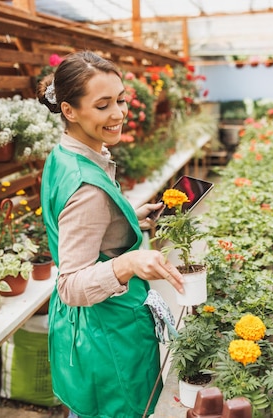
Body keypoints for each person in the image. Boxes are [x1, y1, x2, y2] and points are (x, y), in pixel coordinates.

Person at [36, 50, 185, 418]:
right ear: (69, 110)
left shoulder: (67, 156)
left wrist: (128, 216)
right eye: (103, 105)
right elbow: (71, 285)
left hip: (89, 331)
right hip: (107, 334)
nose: (118, 113)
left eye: (120, 99)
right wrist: (130, 262)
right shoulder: (87, 188)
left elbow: (81, 229)